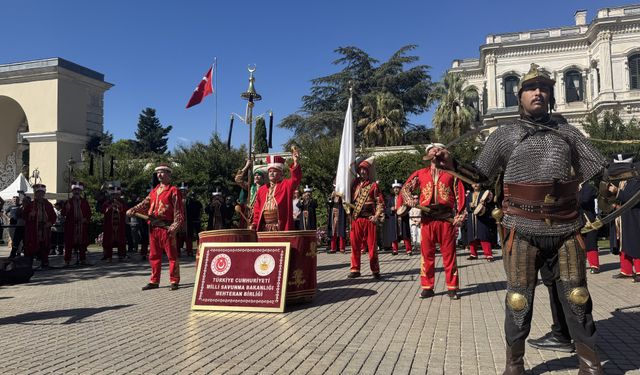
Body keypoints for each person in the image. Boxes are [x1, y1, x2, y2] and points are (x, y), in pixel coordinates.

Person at [433, 64, 605, 374]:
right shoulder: (504, 135)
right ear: (520, 96)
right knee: (518, 299)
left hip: (566, 226)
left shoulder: (567, 133)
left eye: (543, 87)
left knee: (577, 296)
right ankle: (515, 365)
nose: (538, 92)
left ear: (550, 95)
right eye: (531, 88)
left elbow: (600, 170)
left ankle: (590, 364)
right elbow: (481, 176)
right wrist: (451, 163)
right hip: (521, 227)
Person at [400, 144, 466, 300]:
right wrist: (408, 199)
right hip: (427, 219)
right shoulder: (420, 173)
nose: (434, 151)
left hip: (446, 219)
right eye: (431, 150)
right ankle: (427, 287)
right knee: (427, 255)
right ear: (427, 155)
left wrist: (460, 214)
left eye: (438, 149)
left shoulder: (452, 174)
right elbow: (405, 188)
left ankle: (452, 287)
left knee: (449, 255)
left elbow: (460, 195)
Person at [127, 163, 185, 291]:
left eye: (162, 172)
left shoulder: (173, 190)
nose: (159, 174)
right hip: (153, 228)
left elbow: (179, 211)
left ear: (169, 174)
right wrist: (133, 209)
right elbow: (144, 204)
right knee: (153, 255)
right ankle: (154, 281)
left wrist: (175, 226)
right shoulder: (154, 191)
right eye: (158, 172)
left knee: (172, 256)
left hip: (167, 227)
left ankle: (174, 280)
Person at [348, 158, 384, 280]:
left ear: (368, 172)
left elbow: (380, 203)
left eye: (365, 170)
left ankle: (375, 270)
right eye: (360, 170)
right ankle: (355, 269)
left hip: (369, 219)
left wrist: (376, 216)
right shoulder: (354, 185)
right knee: (354, 245)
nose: (362, 172)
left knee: (372, 246)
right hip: (356, 219)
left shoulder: (373, 186)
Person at [252, 151, 301, 231]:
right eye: (270, 171)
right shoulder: (262, 189)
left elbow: (295, 179)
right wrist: (255, 223)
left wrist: (295, 162)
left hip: (280, 227)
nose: (271, 173)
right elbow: (257, 209)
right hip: (264, 228)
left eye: (274, 171)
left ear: (280, 173)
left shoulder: (286, 185)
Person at [608, 162, 640, 283]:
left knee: (635, 244)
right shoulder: (627, 182)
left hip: (635, 217)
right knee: (624, 243)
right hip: (625, 216)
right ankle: (626, 270)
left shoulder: (637, 182)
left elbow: (632, 198)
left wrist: (618, 191)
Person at [23, 184, 56, 269]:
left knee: (45, 246)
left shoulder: (48, 204)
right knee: (31, 245)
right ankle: (28, 264)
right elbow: (24, 216)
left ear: (44, 194)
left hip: (45, 228)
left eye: (42, 193)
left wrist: (50, 223)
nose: (40, 195)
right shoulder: (31, 204)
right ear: (35, 194)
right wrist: (30, 215)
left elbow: (53, 216)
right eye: (38, 193)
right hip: (34, 229)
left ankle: (45, 262)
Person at [63, 182, 92, 266]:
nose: (77, 192)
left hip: (81, 226)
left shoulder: (84, 202)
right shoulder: (68, 202)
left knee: (82, 244)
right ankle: (67, 261)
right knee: (69, 244)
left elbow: (89, 213)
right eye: (75, 190)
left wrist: (85, 219)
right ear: (72, 191)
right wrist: (66, 208)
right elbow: (63, 213)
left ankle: (83, 259)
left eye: (78, 190)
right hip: (71, 226)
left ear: (80, 191)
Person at [465, 183, 495, 262]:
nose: (475, 185)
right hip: (472, 217)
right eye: (473, 184)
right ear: (471, 185)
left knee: (484, 236)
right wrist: (470, 206)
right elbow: (467, 207)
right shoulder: (469, 195)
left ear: (480, 184)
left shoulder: (485, 193)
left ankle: (488, 255)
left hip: (482, 218)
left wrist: (484, 204)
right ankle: (473, 254)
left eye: (477, 183)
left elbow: (490, 204)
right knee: (472, 237)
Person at [235, 160, 267, 228]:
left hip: (261, 215)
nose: (256, 177)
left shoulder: (267, 188)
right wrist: (246, 167)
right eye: (255, 175)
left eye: (259, 175)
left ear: (263, 178)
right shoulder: (250, 187)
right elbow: (238, 179)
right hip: (249, 214)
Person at [101, 184, 128, 262]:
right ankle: (108, 256)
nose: (115, 196)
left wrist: (119, 205)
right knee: (109, 240)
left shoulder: (122, 202)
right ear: (111, 195)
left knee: (121, 240)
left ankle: (121, 256)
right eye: (113, 194)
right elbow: (103, 210)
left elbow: (126, 210)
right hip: (109, 225)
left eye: (117, 194)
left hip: (120, 225)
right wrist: (110, 206)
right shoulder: (107, 202)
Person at [386, 180, 413, 256]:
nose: (396, 189)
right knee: (394, 234)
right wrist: (390, 209)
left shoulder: (405, 197)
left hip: (403, 217)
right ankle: (395, 250)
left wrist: (404, 209)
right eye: (394, 188)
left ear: (400, 188)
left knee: (405, 234)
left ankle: (408, 250)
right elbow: (386, 209)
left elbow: (409, 206)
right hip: (393, 218)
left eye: (397, 188)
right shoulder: (390, 199)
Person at [579, 182, 600, 273]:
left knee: (590, 242)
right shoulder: (572, 187)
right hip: (577, 219)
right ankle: (580, 265)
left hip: (588, 220)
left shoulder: (589, 187)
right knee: (578, 244)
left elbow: (584, 200)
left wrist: (575, 195)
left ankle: (594, 265)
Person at [6, 193, 26, 258]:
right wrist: (8, 218)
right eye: (14, 198)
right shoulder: (10, 207)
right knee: (13, 239)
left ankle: (18, 252)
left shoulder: (21, 206)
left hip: (19, 225)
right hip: (12, 225)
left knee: (19, 239)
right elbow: (4, 213)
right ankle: (14, 251)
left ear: (19, 199)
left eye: (16, 198)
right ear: (12, 200)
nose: (15, 199)